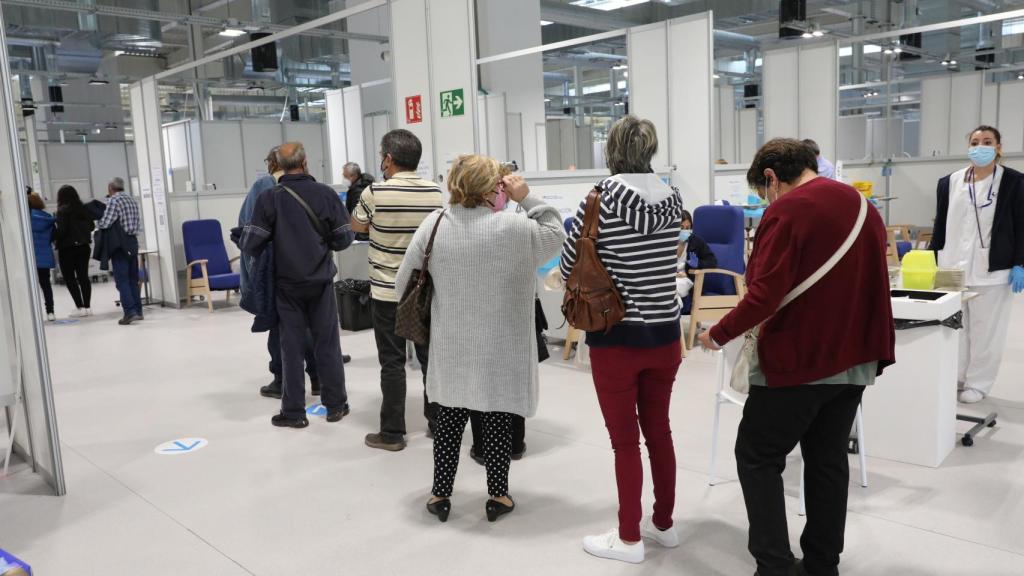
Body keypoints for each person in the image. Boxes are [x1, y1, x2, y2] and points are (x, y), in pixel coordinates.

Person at [698, 138, 895, 576]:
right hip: (856, 357)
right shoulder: (862, 206)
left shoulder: (786, 211)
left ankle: (774, 565)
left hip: (801, 358)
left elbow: (764, 293)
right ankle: (823, 564)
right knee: (827, 460)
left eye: (762, 191)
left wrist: (719, 332)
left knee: (757, 455)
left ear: (771, 177)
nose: (765, 200)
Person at [395, 154, 564, 523]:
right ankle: (498, 497)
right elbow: (556, 235)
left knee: (450, 420)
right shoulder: (517, 228)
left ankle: (440, 495)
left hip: (452, 345)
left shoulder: (435, 224)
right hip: (503, 348)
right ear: (493, 188)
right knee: (498, 419)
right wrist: (527, 197)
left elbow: (401, 284)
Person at [561, 115, 685, 564]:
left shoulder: (599, 198)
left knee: (624, 441)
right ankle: (664, 525)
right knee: (660, 432)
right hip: (667, 335)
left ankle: (629, 538)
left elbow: (569, 260)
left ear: (611, 150)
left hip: (616, 338)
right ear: (650, 149)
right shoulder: (674, 196)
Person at [241, 142, 354, 428]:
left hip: (286, 285)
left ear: (278, 165)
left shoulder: (269, 199)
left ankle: (293, 412)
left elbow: (251, 243)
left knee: (290, 347)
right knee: (327, 342)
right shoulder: (326, 195)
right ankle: (335, 405)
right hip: (320, 281)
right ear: (305, 164)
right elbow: (344, 238)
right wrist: (320, 244)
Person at [351, 129, 444, 452]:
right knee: (430, 357)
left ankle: (392, 433)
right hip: (423, 291)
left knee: (391, 361)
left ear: (388, 158)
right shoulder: (435, 192)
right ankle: (437, 423)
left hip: (387, 292)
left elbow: (357, 226)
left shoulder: (375, 192)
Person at [929, 125, 1024, 404]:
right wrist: (932, 260)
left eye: (987, 141)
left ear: (998, 147)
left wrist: (1020, 262)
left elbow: (1022, 226)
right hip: (951, 266)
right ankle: (955, 376)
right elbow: (940, 225)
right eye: (974, 141)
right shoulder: (949, 182)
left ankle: (978, 383)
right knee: (953, 326)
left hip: (992, 268)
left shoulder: (1014, 183)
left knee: (985, 330)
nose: (980, 146)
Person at [237, 147, 327, 400]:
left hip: (275, 271)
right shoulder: (311, 187)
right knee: (308, 325)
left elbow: (248, 228)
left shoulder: (263, 186)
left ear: (271, 162)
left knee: (278, 327)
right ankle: (318, 378)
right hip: (310, 268)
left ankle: (281, 380)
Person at [97, 177, 143, 325]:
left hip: (120, 245)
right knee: (132, 279)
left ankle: (130, 313)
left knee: (122, 280)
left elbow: (104, 223)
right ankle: (138, 311)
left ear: (110, 187)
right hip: (133, 243)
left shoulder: (114, 201)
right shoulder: (132, 200)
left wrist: (98, 219)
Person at [53, 185, 95, 318]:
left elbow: (62, 231)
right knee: (83, 277)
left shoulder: (62, 210)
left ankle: (80, 307)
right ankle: (88, 307)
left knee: (70, 279)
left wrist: (54, 236)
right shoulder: (83, 209)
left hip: (67, 249)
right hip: (83, 247)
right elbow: (92, 226)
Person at [28, 193, 56, 321]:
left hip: (30, 257)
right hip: (45, 255)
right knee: (46, 285)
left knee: (29, 286)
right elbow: (53, 237)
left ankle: (32, 313)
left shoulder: (26, 218)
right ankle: (50, 312)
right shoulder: (49, 218)